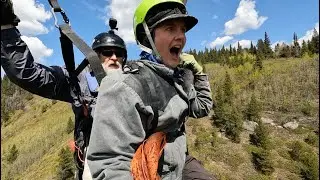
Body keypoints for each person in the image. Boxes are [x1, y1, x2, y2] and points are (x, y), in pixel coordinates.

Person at [85, 0, 216, 179]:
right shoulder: (126, 85)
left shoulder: (179, 79)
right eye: (170, 28)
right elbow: (111, 164)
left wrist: (199, 73)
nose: (181, 37)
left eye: (182, 30)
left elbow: (202, 107)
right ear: (148, 37)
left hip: (179, 161)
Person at [1, 1, 127, 179]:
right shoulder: (79, 81)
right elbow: (27, 73)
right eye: (106, 52)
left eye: (119, 53)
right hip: (94, 166)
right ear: (94, 57)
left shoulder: (136, 82)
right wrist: (6, 29)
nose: (113, 57)